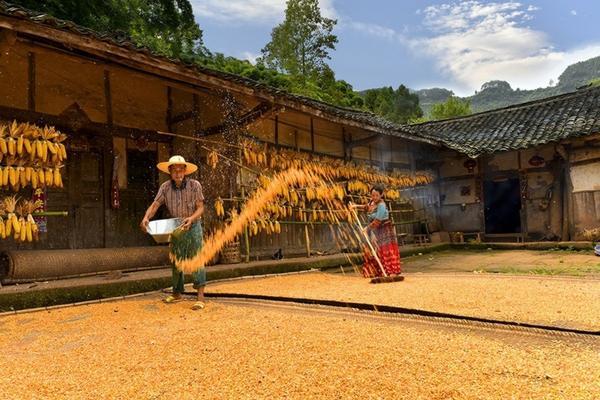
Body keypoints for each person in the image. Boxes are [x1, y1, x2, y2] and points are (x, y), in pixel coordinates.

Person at [140, 155, 207, 310]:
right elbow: (155, 205)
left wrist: (191, 218)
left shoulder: (194, 185)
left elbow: (201, 208)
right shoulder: (165, 187)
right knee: (176, 259)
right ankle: (177, 293)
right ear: (169, 171)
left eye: (181, 170)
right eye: (174, 170)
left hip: (193, 225)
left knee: (196, 258)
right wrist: (146, 217)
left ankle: (200, 296)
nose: (178, 173)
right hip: (176, 226)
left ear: (185, 171)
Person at [351, 184, 402, 278]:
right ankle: (375, 271)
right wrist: (355, 206)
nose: (374, 197)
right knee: (374, 250)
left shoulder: (381, 205)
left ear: (381, 195)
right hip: (375, 230)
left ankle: (391, 272)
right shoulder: (372, 203)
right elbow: (366, 207)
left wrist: (367, 228)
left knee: (386, 249)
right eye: (373, 195)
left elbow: (378, 220)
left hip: (384, 229)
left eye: (376, 195)